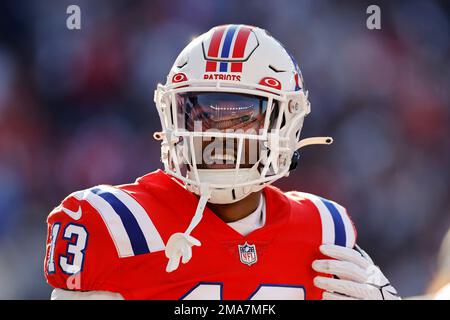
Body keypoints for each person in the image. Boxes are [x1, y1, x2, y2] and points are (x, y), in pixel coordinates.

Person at [44, 24, 400, 300]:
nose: (217, 136)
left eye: (242, 117)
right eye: (200, 115)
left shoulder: (324, 230)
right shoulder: (116, 224)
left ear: (287, 122)